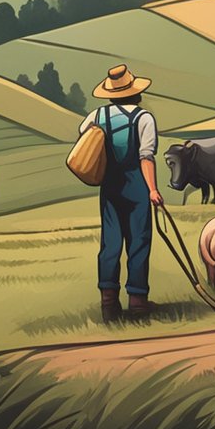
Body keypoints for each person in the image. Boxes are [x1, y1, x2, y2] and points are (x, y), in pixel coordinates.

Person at [78, 64, 163, 322]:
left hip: (109, 186)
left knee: (110, 243)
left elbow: (85, 139)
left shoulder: (96, 116)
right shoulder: (143, 118)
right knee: (138, 241)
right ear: (135, 92)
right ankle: (137, 302)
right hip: (136, 184)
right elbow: (145, 157)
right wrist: (153, 190)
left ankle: (108, 304)